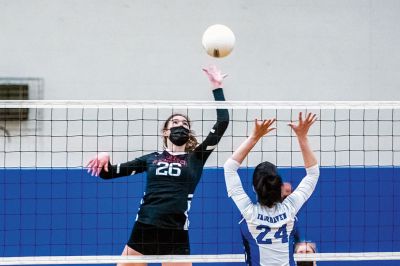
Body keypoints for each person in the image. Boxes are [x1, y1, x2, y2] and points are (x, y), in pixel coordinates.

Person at [86, 65, 229, 266]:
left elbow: (222, 122)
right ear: (165, 132)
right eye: (175, 123)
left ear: (188, 133)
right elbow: (107, 174)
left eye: (185, 124)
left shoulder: (196, 157)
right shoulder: (151, 159)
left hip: (176, 233)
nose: (180, 126)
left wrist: (217, 88)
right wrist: (104, 156)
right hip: (145, 228)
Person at [224, 112, 319, 266]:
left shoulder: (249, 213)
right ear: (281, 188)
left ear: (254, 189)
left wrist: (255, 136)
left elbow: (229, 168)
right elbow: (313, 174)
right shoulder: (289, 210)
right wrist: (302, 136)